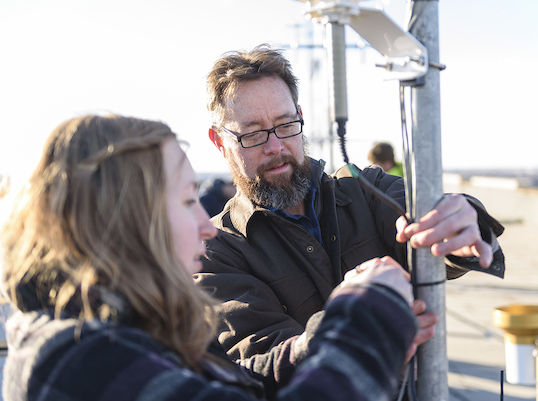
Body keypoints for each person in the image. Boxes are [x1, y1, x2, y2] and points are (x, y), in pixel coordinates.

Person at [0, 114, 419, 401]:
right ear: (121, 223)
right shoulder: (78, 359)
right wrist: (369, 319)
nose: (205, 224)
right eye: (186, 201)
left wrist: (323, 340)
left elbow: (243, 385)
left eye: (285, 124)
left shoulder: (122, 332)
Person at [197, 44, 505, 365]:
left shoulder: (366, 189)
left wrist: (461, 226)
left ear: (301, 118)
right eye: (253, 134)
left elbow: (427, 216)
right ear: (219, 142)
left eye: (285, 125)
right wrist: (352, 323)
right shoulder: (215, 253)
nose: (275, 146)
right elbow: (259, 364)